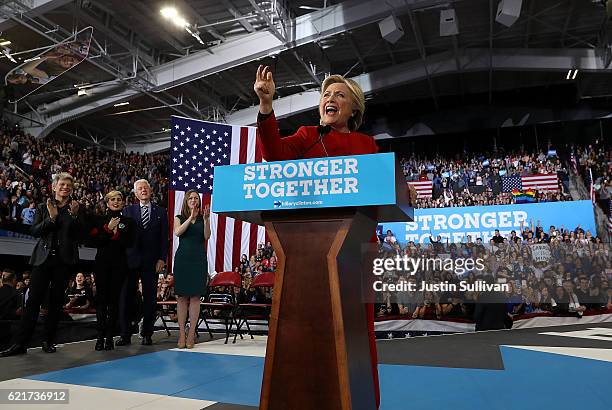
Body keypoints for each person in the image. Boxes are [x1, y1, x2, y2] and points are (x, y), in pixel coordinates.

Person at [254, 65, 381, 408]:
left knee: (355, 333)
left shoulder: (367, 144)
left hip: (355, 253)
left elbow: (380, 194)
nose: (331, 99)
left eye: (340, 95)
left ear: (354, 109)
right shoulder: (307, 135)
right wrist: (266, 106)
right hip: (305, 251)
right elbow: (274, 154)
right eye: (326, 94)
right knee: (305, 329)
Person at [1, 173, 84, 356]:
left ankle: (48, 341)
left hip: (63, 262)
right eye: (62, 184)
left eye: (69, 185)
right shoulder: (42, 207)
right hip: (42, 260)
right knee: (32, 303)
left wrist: (75, 216)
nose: (65, 188)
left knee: (55, 304)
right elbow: (34, 231)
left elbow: (80, 235)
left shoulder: (76, 208)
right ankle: (20, 344)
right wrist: (51, 219)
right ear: (54, 187)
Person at [117, 179, 168, 346]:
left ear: (151, 190)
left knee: (150, 299)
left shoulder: (161, 211)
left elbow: (163, 239)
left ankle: (147, 333)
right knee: (126, 298)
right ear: (135, 193)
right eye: (140, 188)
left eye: (146, 187)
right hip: (130, 262)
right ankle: (125, 334)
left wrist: (162, 258)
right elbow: (123, 238)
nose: (143, 190)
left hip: (152, 262)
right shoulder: (127, 211)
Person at [89, 191, 135, 351]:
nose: (116, 202)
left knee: (114, 302)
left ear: (123, 202)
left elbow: (129, 242)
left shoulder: (129, 222)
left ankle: (109, 337)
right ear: (107, 202)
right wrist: (108, 229)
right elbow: (96, 241)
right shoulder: (98, 220)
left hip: (119, 265)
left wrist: (115, 235)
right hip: (101, 264)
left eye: (119, 199)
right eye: (113, 199)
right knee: (101, 302)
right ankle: (99, 337)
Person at [173, 190, 211, 349]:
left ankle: (191, 335)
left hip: (198, 260)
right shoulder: (179, 217)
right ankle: (182, 333)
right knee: (181, 297)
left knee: (195, 297)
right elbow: (178, 232)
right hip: (183, 260)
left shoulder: (204, 217)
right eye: (191, 198)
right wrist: (191, 217)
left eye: (196, 198)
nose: (194, 200)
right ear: (186, 201)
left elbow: (207, 236)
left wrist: (207, 220)